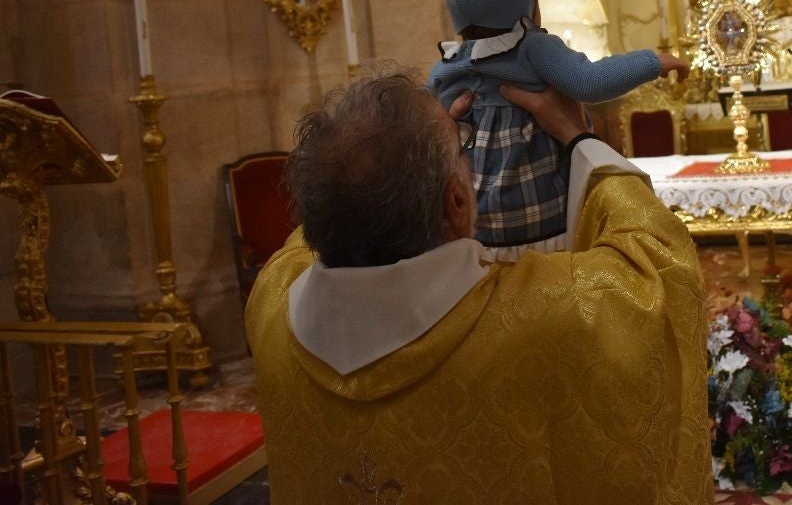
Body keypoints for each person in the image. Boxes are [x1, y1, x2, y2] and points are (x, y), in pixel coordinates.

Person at [244, 68, 712, 505]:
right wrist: (580, 139)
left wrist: (407, 151)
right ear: (457, 199)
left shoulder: (270, 304)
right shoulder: (557, 315)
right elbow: (658, 265)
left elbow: (330, 221)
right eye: (465, 150)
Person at [428, 0, 689, 251]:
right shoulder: (534, 47)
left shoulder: (450, 62)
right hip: (543, 217)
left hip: (480, 223)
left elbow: (428, 110)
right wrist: (652, 62)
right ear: (524, 4)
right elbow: (590, 82)